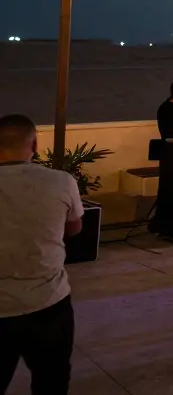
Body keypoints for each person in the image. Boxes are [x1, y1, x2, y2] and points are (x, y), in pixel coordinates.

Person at [0, 114, 82, 395]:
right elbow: (74, 228)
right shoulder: (61, 181)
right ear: (34, 143)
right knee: (52, 380)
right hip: (48, 303)